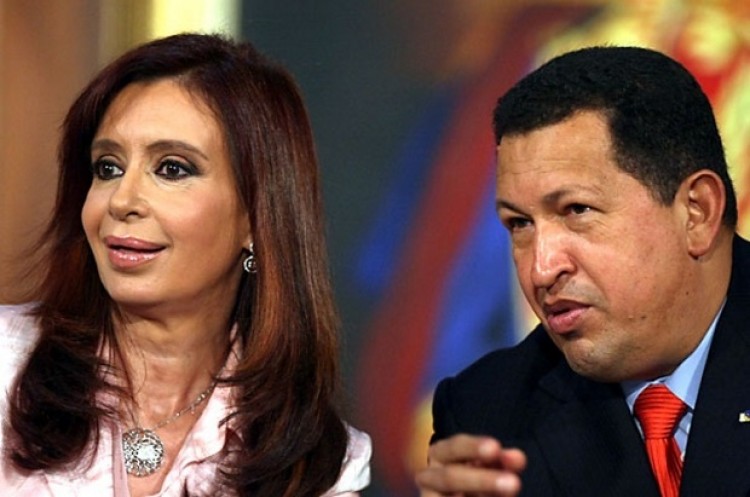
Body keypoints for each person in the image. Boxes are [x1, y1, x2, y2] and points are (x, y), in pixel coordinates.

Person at [0, 33, 370, 496]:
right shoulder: (7, 365)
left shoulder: (319, 467)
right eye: (108, 167)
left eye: (172, 168)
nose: (122, 200)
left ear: (257, 217)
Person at [415, 45, 747, 496]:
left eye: (576, 210)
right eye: (520, 224)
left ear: (697, 212)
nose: (541, 269)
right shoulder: (489, 417)